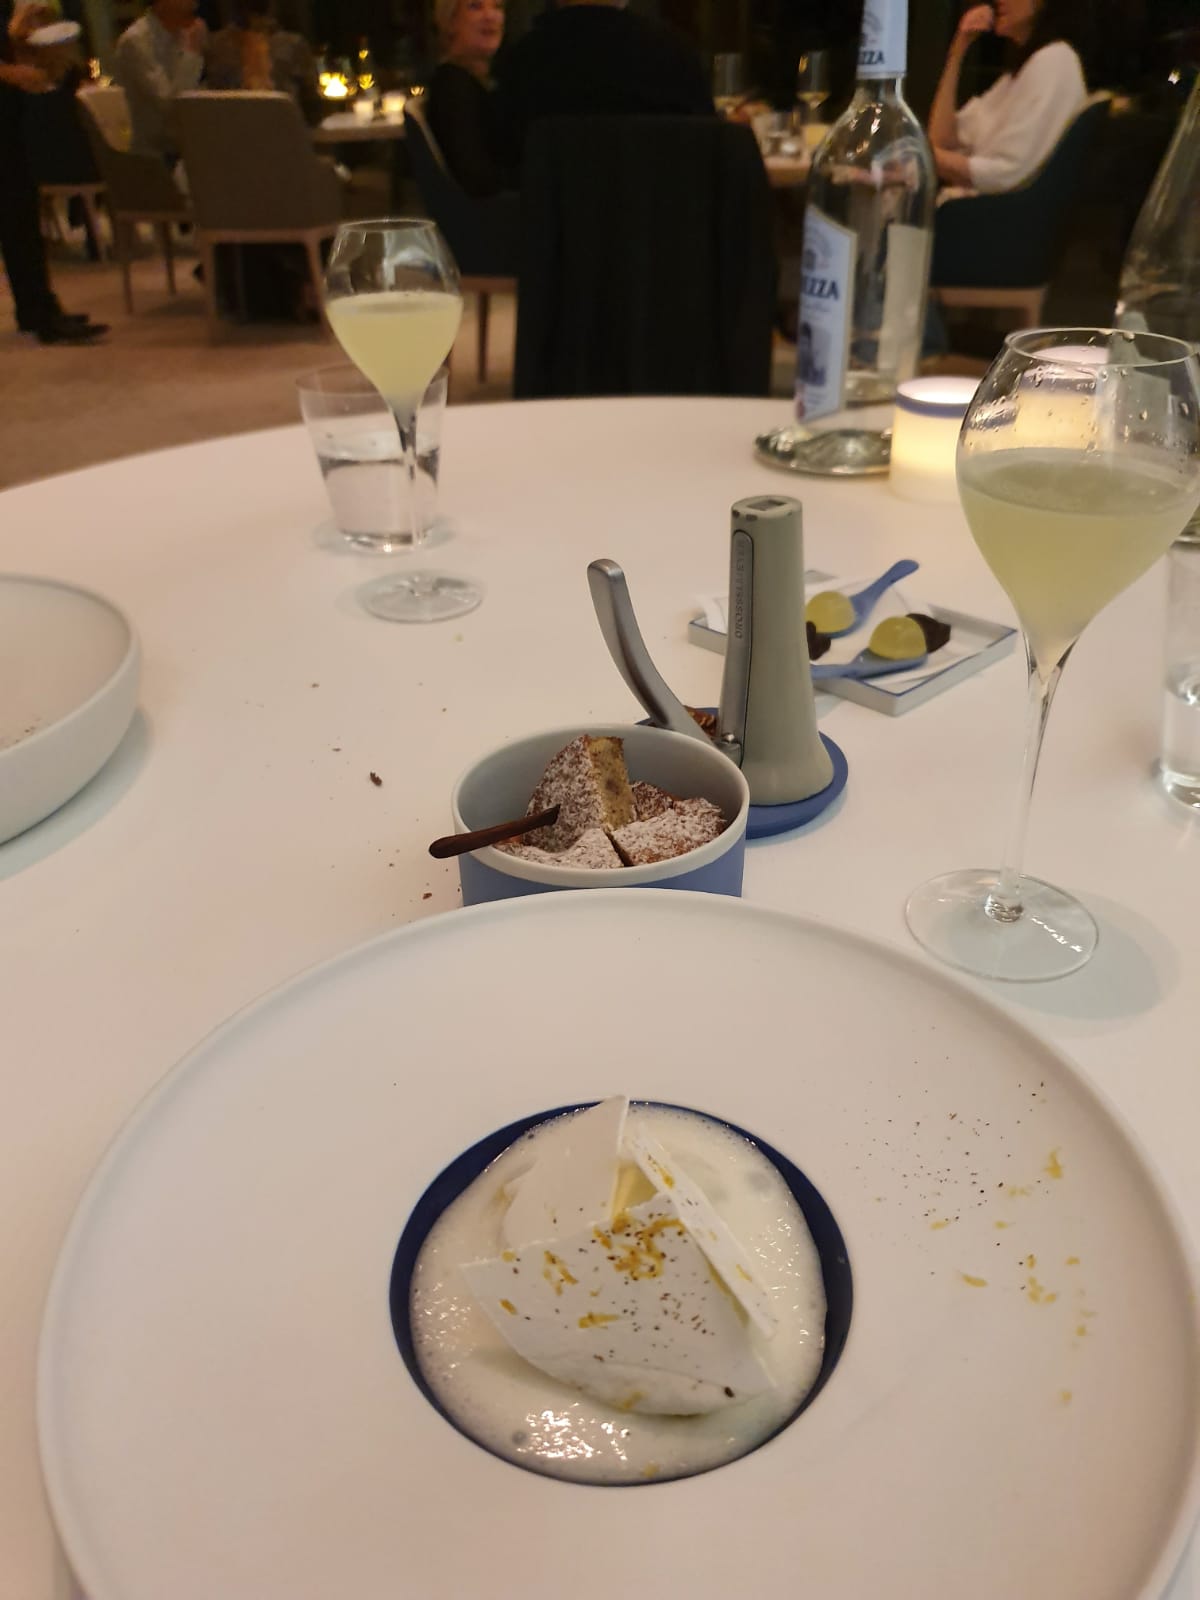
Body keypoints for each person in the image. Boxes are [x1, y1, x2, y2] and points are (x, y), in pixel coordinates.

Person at [494, 0, 714, 167]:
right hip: (660, 209)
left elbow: (504, 160)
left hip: (554, 212)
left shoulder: (524, 61)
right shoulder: (677, 58)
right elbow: (710, 154)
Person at [0, 0, 107, 342]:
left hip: (10, 115)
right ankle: (40, 312)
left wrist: (20, 36)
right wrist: (10, 72)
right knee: (17, 216)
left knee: (20, 217)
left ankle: (38, 310)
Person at [927, 0, 1089, 192]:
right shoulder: (1018, 74)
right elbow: (942, 140)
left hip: (991, 209)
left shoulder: (1055, 61)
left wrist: (920, 154)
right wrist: (959, 48)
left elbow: (1004, 173)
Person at [427, 0, 508, 197]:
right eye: (475, 6)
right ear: (450, 22)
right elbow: (476, 179)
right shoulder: (453, 87)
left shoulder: (484, 81)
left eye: (497, 6)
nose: (490, 16)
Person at [114, 0, 206, 163]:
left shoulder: (183, 34)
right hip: (155, 158)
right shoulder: (135, 41)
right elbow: (172, 104)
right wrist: (192, 53)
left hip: (187, 149)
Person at [204, 0, 321, 123]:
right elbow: (312, 107)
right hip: (276, 130)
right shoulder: (293, 45)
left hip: (231, 130)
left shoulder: (216, 44)